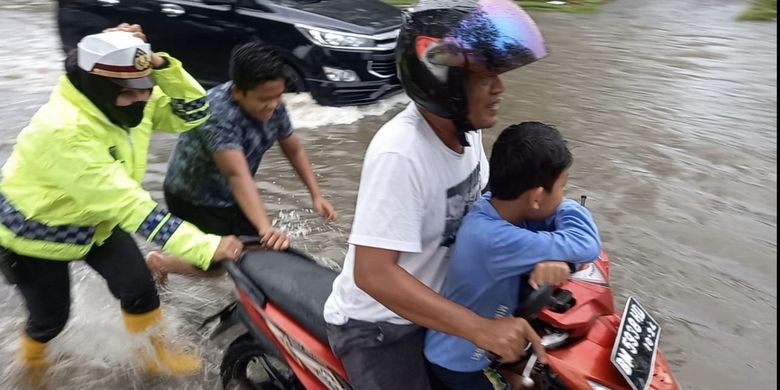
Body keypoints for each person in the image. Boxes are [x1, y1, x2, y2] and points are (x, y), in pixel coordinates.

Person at [322, 0, 549, 388]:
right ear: (442, 83)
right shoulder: (401, 152)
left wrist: (541, 248)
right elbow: (373, 273)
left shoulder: (467, 131)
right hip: (380, 327)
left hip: (443, 302)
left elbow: (487, 207)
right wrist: (479, 328)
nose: (499, 88)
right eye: (484, 77)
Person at [0, 25, 243, 383]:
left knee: (139, 288)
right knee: (51, 319)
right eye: (130, 94)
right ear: (99, 88)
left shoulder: (125, 102)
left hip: (95, 222)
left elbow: (194, 111)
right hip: (35, 235)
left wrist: (159, 65)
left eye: (145, 90)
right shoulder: (64, 132)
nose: (141, 100)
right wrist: (207, 247)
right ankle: (31, 364)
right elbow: (133, 208)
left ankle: (153, 355)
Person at [424, 122, 602, 389]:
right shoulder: (494, 238)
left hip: (490, 342)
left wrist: (560, 258)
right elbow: (587, 243)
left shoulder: (497, 209)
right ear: (535, 198)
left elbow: (558, 239)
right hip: (461, 361)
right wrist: (567, 207)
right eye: (563, 188)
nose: (564, 197)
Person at [146, 42, 336, 280]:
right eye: (264, 99)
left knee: (258, 248)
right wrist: (265, 227)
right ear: (237, 91)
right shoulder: (215, 113)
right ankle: (159, 263)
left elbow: (293, 148)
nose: (273, 105)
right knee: (216, 266)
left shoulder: (273, 102)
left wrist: (316, 194)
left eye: (278, 96)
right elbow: (237, 175)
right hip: (194, 196)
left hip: (233, 195)